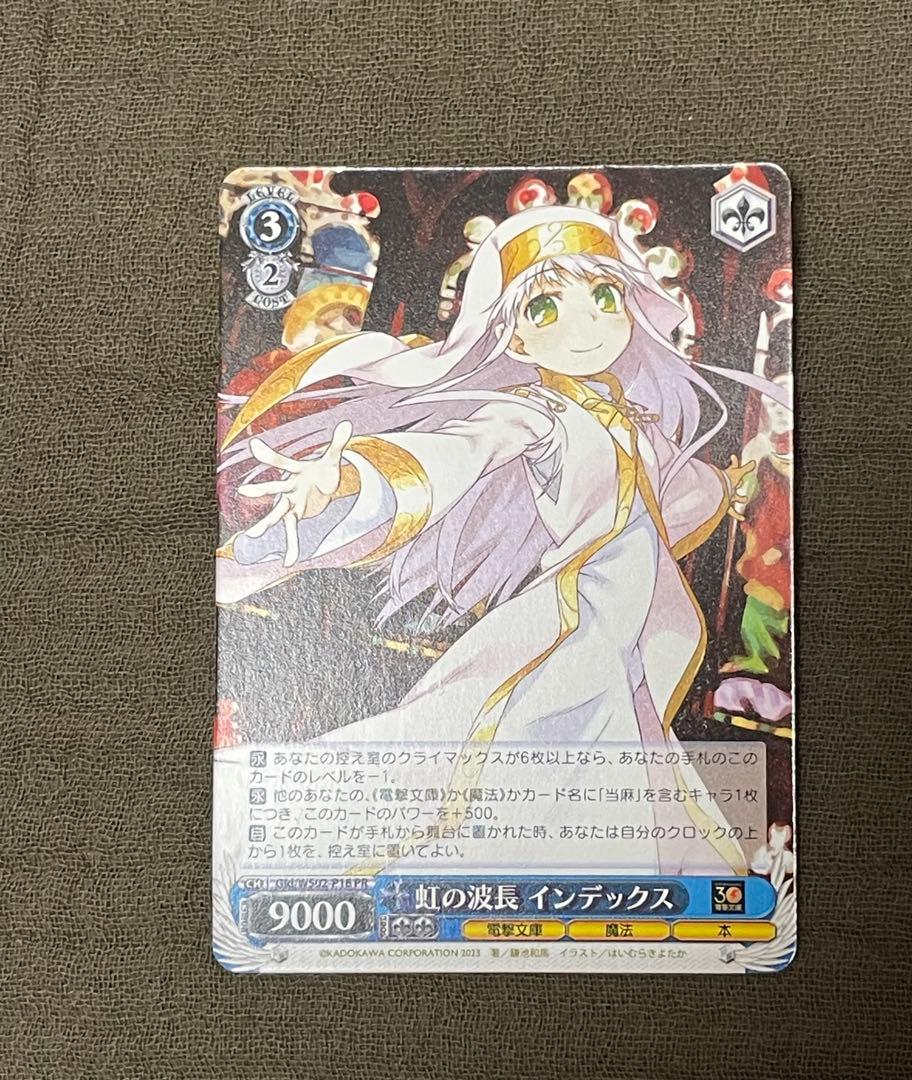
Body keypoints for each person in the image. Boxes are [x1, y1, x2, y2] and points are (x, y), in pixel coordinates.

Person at [217, 203, 751, 874]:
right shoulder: (534, 415)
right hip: (569, 628)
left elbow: (670, 490)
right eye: (547, 308)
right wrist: (351, 479)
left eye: (604, 296)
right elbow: (458, 451)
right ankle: (266, 820)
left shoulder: (628, 418)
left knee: (603, 781)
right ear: (514, 339)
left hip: (628, 635)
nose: (586, 323)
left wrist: (730, 486)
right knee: (475, 756)